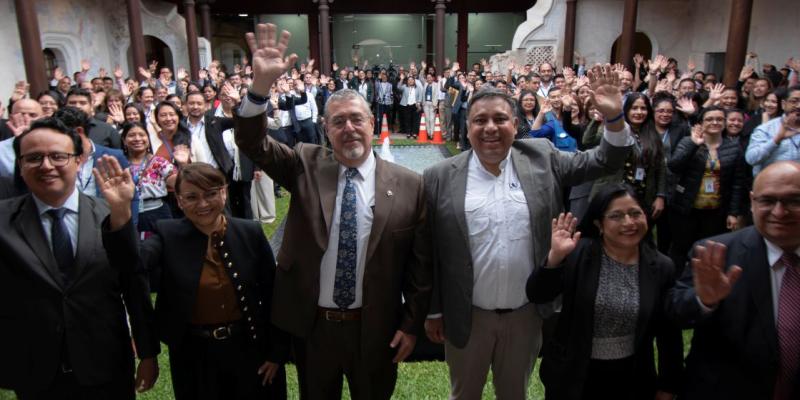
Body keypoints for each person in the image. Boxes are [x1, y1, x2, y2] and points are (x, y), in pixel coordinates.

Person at [234, 24, 431, 399]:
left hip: (375, 330)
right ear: (325, 130)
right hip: (315, 329)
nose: (349, 128)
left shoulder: (409, 184)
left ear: (373, 124)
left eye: (357, 119)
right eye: (338, 121)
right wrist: (259, 89)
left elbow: (420, 268)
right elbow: (251, 141)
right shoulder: (305, 164)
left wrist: (411, 324)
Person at [423, 66, 633, 399]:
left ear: (516, 124)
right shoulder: (439, 176)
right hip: (467, 315)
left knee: (514, 394)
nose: (490, 128)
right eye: (480, 120)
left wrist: (613, 118)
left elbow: (605, 161)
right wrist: (434, 309)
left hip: (525, 315)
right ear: (468, 125)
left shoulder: (542, 158)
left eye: (500, 119)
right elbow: (431, 249)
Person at [0, 117, 158, 398]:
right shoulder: (4, 220)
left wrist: (147, 353)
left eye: (57, 156)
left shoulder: (110, 213)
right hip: (36, 370)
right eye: (34, 158)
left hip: (105, 364)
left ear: (79, 160)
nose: (46, 166)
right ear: (21, 166)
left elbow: (133, 281)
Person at [111, 162, 286, 399]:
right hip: (194, 356)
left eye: (211, 194)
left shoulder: (249, 232)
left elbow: (274, 293)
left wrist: (275, 354)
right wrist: (121, 212)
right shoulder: (167, 234)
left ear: (224, 192)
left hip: (250, 351)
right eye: (192, 197)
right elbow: (132, 264)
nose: (203, 204)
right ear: (180, 201)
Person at [526, 185, 682, 399]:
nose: (628, 223)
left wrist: (668, 385)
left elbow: (668, 332)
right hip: (574, 375)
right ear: (599, 224)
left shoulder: (662, 267)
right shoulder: (579, 253)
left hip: (632, 378)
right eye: (616, 216)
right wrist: (555, 258)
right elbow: (538, 294)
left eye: (635, 213)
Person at [667, 161, 800, 400]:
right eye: (768, 201)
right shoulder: (716, 253)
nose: (780, 212)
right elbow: (675, 313)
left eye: (794, 201)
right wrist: (703, 300)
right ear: (752, 201)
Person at [668, 106, 747, 275]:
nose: (715, 122)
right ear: (701, 123)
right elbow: (674, 166)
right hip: (687, 209)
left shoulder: (734, 148)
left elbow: (737, 183)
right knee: (680, 250)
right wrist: (694, 144)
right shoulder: (688, 141)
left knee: (708, 251)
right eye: (710, 119)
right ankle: (675, 287)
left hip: (716, 211)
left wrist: (733, 212)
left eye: (719, 119)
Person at [120, 121, 175, 236]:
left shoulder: (158, 162)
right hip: (126, 214)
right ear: (124, 140)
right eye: (131, 135)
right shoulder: (118, 162)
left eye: (142, 135)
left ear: (148, 139)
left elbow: (176, 181)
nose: (137, 138)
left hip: (156, 214)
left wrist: (183, 164)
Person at [745, 85, 800, 175]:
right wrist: (777, 139)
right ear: (783, 104)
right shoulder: (766, 129)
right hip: (771, 186)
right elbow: (751, 159)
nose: (798, 106)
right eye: (794, 101)